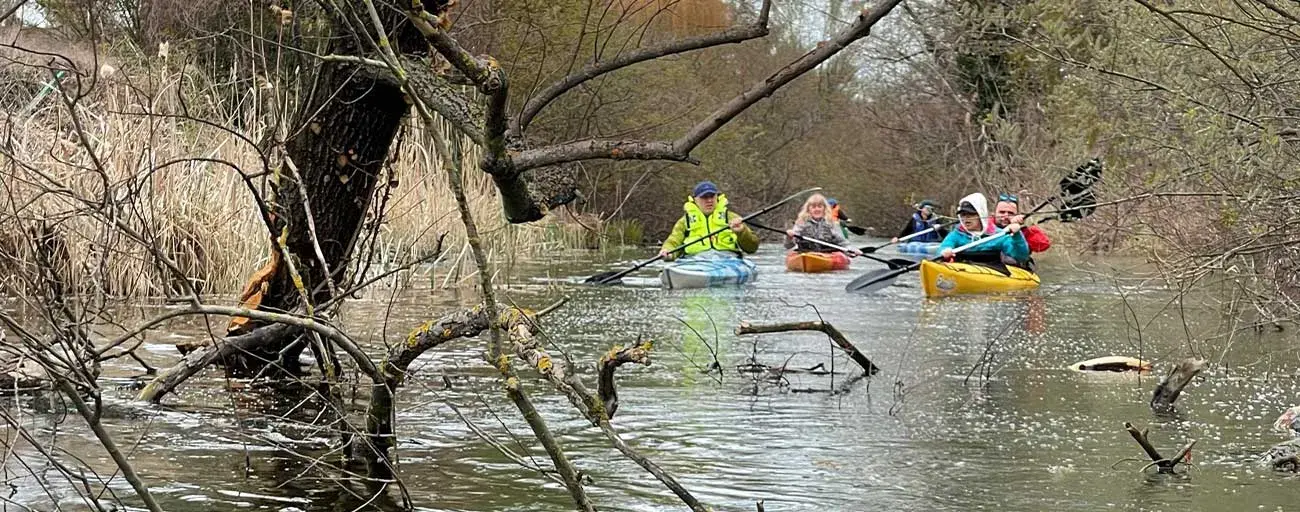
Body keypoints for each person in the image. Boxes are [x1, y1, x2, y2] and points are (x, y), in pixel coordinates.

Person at [659, 181, 760, 260]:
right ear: (695, 200)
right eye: (704, 197)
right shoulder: (684, 222)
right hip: (695, 261)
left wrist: (742, 232)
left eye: (712, 196)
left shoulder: (732, 218)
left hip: (728, 260)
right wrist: (667, 251)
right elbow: (673, 241)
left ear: (717, 197)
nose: (709, 200)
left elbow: (752, 248)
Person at [939, 199, 1028, 265]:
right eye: (963, 215)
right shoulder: (956, 234)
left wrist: (1017, 235)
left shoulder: (999, 235)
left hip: (994, 272)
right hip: (963, 270)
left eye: (971, 215)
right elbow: (945, 246)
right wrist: (945, 251)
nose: (966, 219)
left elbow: (1020, 256)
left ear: (981, 215)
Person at [784, 194, 862, 255]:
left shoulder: (832, 223)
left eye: (819, 206)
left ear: (824, 209)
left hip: (828, 253)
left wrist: (852, 250)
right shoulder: (801, 223)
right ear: (809, 209)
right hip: (806, 252)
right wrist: (789, 237)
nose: (817, 209)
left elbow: (843, 243)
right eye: (813, 207)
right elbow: (788, 246)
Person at [987, 193, 1051, 253]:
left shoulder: (1023, 229)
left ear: (1016, 215)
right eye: (1002, 212)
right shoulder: (984, 226)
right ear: (994, 213)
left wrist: (1025, 228)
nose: (1006, 216)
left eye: (1011, 213)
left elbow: (1044, 244)